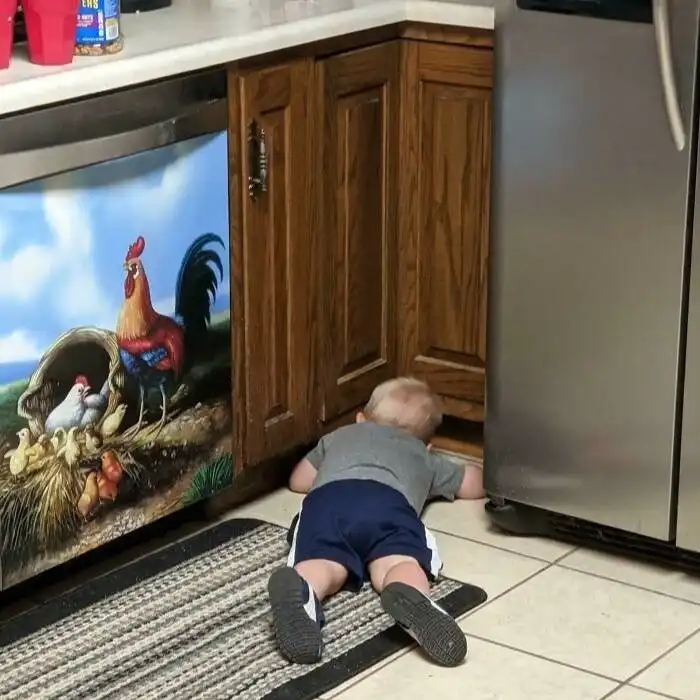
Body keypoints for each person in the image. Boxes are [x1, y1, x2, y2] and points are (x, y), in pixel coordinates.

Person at [267, 377, 484, 667]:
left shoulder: (339, 436)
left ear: (360, 419)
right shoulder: (422, 454)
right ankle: (413, 595)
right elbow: (471, 484)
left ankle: (304, 593)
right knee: (398, 561)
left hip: (328, 503)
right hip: (389, 506)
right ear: (428, 444)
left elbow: (298, 480)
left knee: (324, 561)